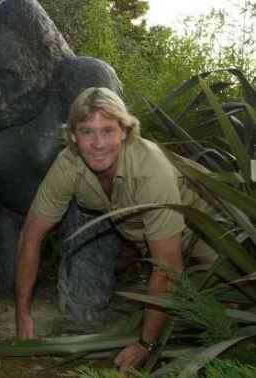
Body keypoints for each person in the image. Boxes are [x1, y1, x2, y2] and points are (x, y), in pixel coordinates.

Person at [14, 87, 216, 372]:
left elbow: (167, 268)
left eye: (108, 130)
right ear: (73, 136)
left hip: (210, 228)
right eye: (87, 131)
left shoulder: (150, 167)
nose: (98, 143)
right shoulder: (67, 165)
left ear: (125, 131)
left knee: (227, 315)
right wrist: (22, 314)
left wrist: (146, 345)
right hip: (149, 234)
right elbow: (30, 237)